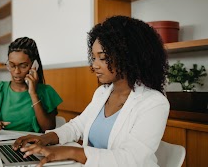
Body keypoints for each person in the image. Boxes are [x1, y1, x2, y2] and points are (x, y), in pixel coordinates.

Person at [12, 16, 170, 167]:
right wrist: (45, 139)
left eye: (102, 58)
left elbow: (130, 159)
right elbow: (77, 126)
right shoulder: (103, 92)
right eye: (93, 58)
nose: (94, 65)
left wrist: (70, 152)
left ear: (127, 57)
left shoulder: (154, 103)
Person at [0, 37, 62, 134]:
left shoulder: (46, 91)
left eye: (23, 66)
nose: (16, 72)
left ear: (34, 65)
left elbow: (48, 128)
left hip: (32, 145)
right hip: (3, 143)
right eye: (12, 65)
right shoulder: (0, 89)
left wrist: (33, 94)